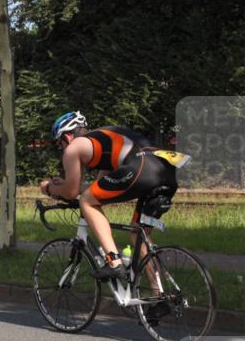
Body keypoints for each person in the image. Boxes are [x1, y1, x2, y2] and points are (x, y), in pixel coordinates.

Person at [39, 112, 181, 301]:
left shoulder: (74, 147)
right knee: (139, 233)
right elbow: (99, 189)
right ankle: (158, 296)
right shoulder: (105, 140)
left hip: (142, 168)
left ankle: (113, 261)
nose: (62, 148)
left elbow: (73, 193)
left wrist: (49, 188)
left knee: (86, 202)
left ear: (67, 136)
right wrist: (67, 188)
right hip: (167, 169)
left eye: (59, 144)